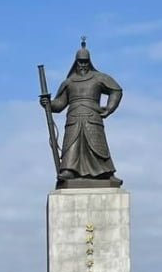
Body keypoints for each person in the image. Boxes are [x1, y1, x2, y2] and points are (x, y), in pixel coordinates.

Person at [39, 39, 123, 182]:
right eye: (80, 62)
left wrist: (109, 108)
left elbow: (116, 90)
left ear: (89, 62)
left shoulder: (99, 78)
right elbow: (60, 104)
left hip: (92, 116)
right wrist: (48, 104)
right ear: (75, 63)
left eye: (85, 62)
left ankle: (105, 173)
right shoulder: (69, 82)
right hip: (74, 117)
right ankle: (68, 170)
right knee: (71, 144)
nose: (82, 65)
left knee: (97, 145)